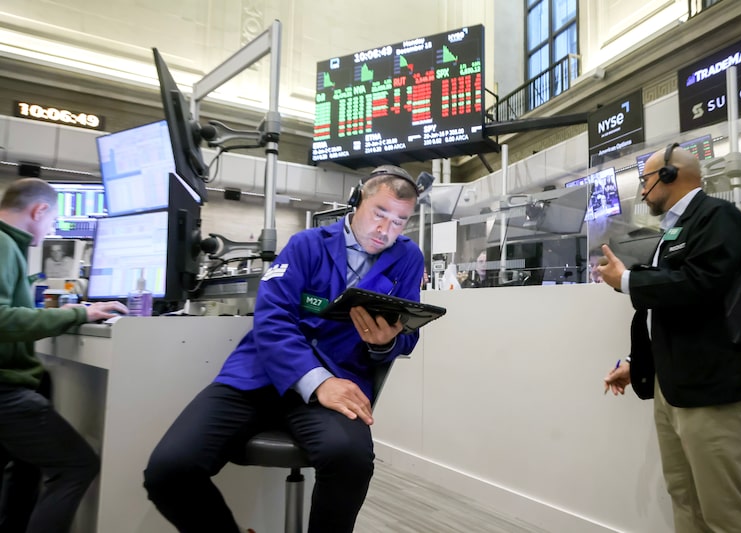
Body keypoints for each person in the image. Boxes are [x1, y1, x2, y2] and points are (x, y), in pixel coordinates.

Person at [144, 165, 425, 533]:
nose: (386, 230)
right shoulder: (307, 244)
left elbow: (407, 335)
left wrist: (386, 341)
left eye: (400, 222)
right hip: (257, 375)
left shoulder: (407, 258)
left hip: (339, 383)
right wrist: (316, 381)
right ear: (357, 201)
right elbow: (272, 317)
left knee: (350, 460)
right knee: (169, 470)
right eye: (380, 213)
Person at [597, 145, 741, 533]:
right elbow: (672, 310)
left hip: (711, 388)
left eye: (645, 179)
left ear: (669, 175)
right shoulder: (673, 230)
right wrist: (639, 363)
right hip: (675, 384)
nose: (642, 190)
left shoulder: (718, 217)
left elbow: (702, 284)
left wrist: (627, 280)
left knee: (725, 512)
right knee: (685, 497)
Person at [0, 177, 128, 533]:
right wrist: (80, 314)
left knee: (25, 463)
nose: (52, 229)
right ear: (39, 210)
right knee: (76, 466)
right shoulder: (4, 245)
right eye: (53, 221)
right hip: (5, 393)